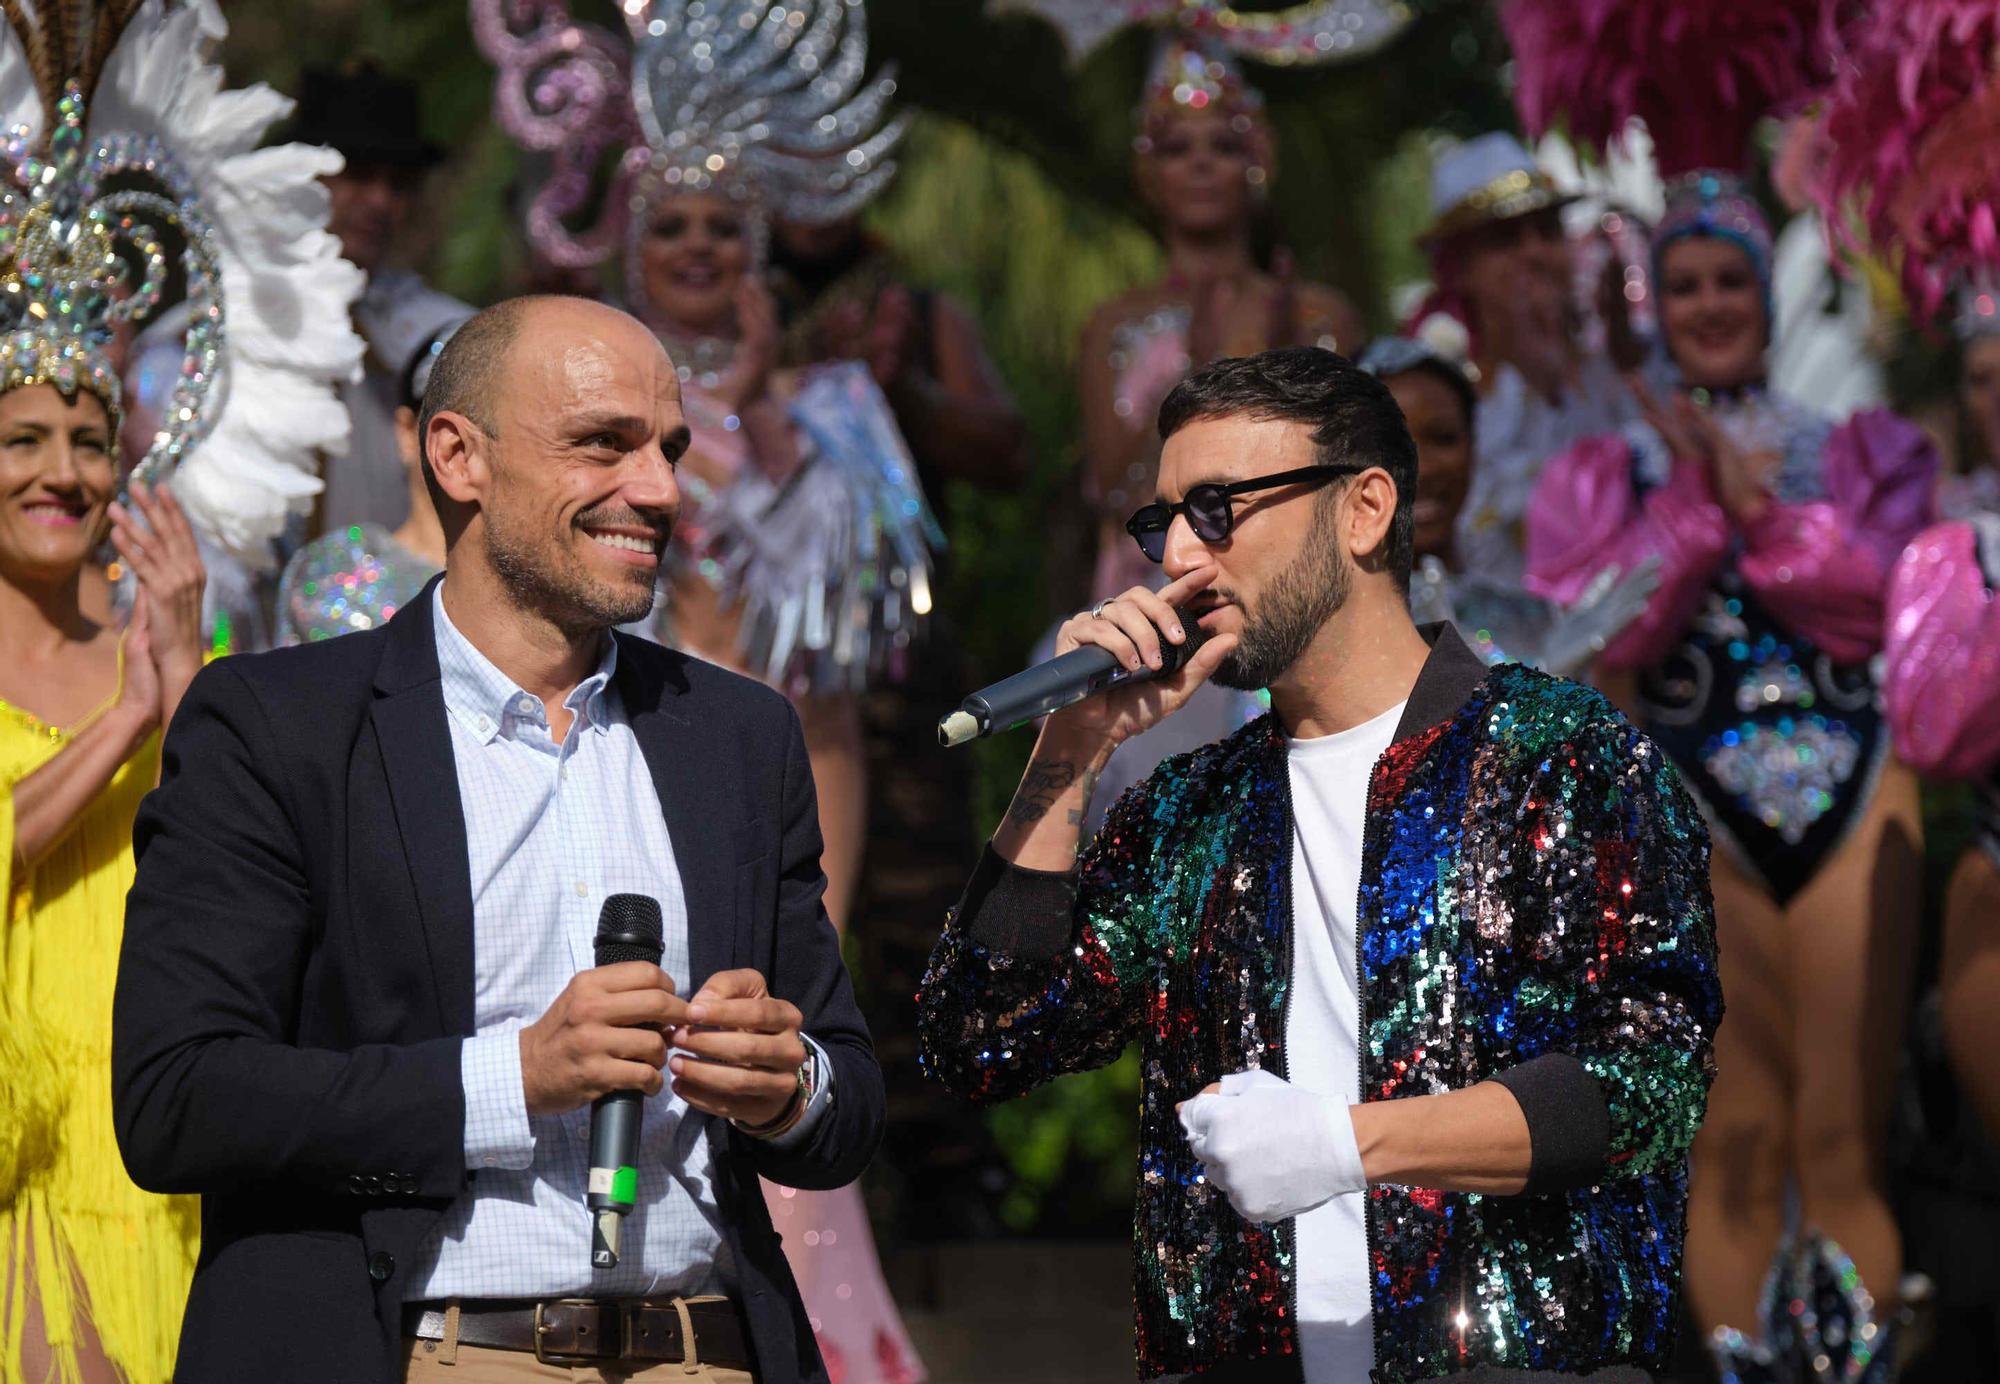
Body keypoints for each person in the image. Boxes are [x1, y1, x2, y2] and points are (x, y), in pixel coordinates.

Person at [112, 296, 882, 1384]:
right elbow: (178, 1100)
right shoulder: (276, 725)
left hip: (703, 1348)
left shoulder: (737, 737)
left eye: (666, 448)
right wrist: (512, 1078)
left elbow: (846, 1092)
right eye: (601, 444)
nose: (658, 488)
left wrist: (783, 1083)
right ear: (457, 454)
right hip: (418, 1349)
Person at [919, 346, 1721, 1382]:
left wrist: (1348, 1143)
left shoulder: (1558, 756)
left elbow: (1649, 1081)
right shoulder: (1188, 807)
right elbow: (978, 1040)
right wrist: (1066, 757)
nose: (1176, 557)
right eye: (1159, 521)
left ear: (1363, 508)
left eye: (1216, 508)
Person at [475, 4, 933, 1373]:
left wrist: (821, 913)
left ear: (761, 247)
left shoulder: (839, 418)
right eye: (669, 227)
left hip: (754, 832)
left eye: (720, 231)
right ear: (626, 240)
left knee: (772, 1144)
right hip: (586, 821)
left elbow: (832, 709)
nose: (694, 251)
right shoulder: (565, 446)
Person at [0, 1, 359, 1376]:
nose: (65, 471)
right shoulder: (137, 686)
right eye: (24, 436)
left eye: (91, 436)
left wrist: (195, 679)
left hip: (151, 1116)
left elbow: (248, 863)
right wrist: (137, 716)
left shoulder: (164, 643)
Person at [1522, 173, 1938, 1360]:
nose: (1709, 305)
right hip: (1692, 811)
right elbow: (1587, 638)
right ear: (1657, 304)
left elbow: (1894, 609)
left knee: (1841, 1136)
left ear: (1766, 296)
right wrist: (1694, 513)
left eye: (1731, 281)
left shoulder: (1863, 451)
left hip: (1854, 800)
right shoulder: (1607, 471)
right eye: (1686, 282)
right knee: (1737, 1137)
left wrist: (1760, 516)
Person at [1412, 132, 1641, 593]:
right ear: (1460, 270)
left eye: (1547, 230)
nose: (1534, 253)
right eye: (1505, 239)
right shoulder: (1446, 414)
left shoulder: (1620, 373)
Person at [1359, 336, 1657, 676]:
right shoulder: (1329, 632)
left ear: (1474, 447)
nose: (1421, 468)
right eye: (1390, 445)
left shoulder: (1533, 619)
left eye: (1443, 438)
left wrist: (1555, 704)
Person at [286, 63, 471, 537]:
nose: (380, 201)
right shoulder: (233, 319)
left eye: (398, 184)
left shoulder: (446, 333)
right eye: (359, 175)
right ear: (304, 179)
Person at [276, 318, 463, 644]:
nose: (468, 445)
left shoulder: (542, 582)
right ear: (407, 432)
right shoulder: (337, 572)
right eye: (449, 423)